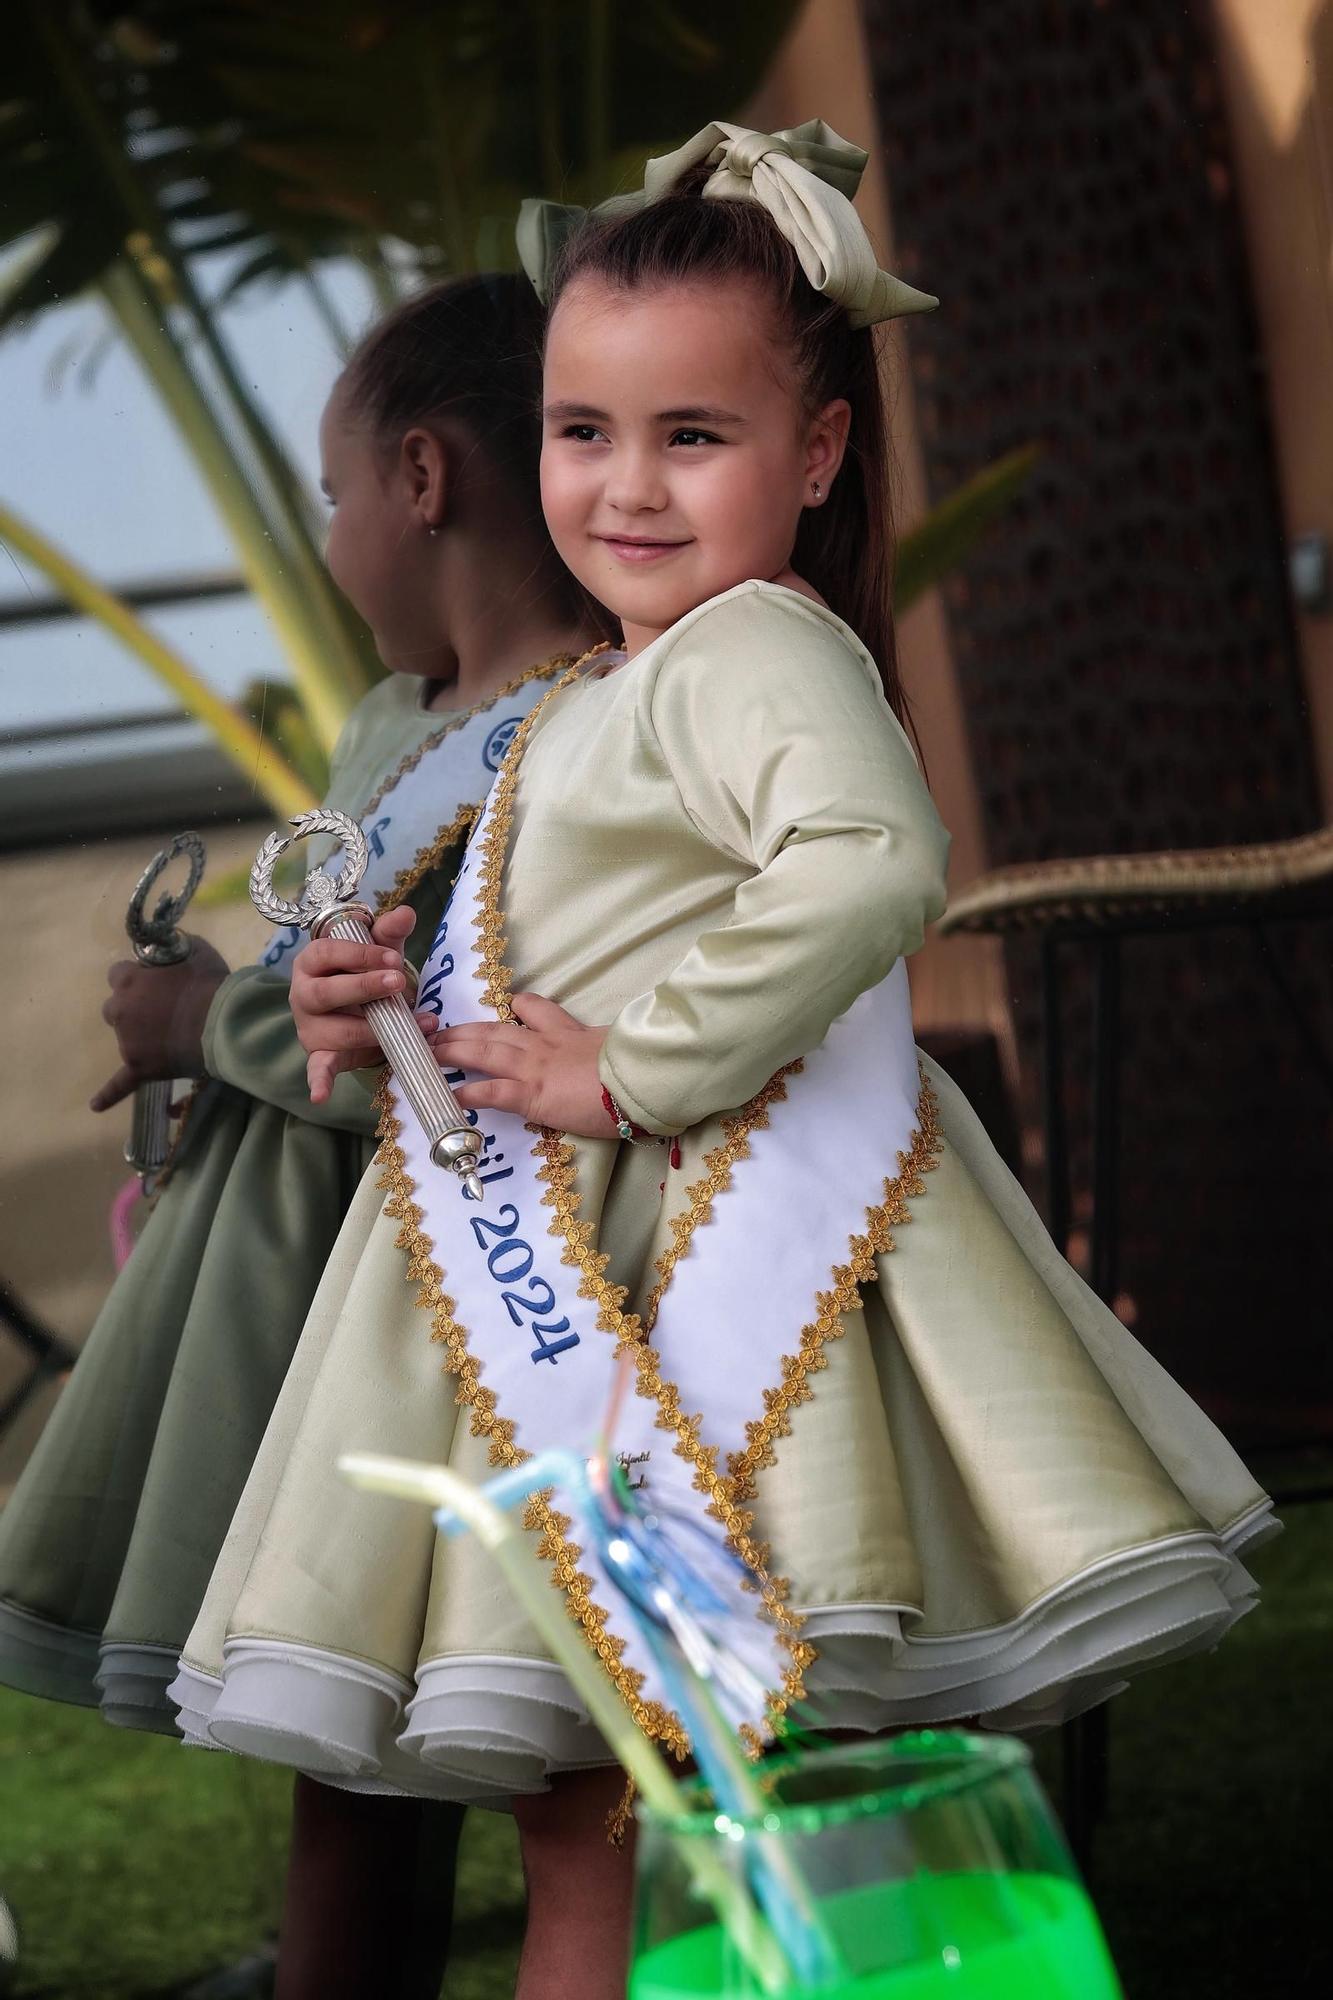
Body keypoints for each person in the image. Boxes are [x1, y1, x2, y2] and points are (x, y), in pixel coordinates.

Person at [178, 124, 1274, 2000]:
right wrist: (397, 1005)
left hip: (700, 1266)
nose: (626, 487)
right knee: (618, 1793)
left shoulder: (753, 645)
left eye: (695, 436)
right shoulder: (611, 681)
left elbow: (872, 864)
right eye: (582, 432)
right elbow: (566, 954)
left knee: (644, 1782)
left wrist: (636, 1070)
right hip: (568, 1257)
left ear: (820, 450)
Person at [0, 271, 604, 2000]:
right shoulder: (389, 724)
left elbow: (441, 1022)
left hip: (446, 1307)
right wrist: (217, 1006)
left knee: (428, 1719)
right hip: (297, 1280)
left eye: (334, 492)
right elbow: (328, 972)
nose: (333, 535)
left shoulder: (571, 733)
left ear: (423, 478)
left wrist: (208, 1022)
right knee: (339, 1724)